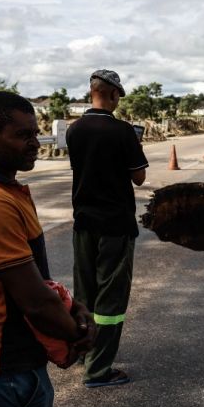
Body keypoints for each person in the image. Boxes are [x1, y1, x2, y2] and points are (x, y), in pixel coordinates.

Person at [0, 91, 96, 407]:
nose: (34, 144)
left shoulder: (5, 192)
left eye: (35, 134)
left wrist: (73, 307)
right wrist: (79, 334)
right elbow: (35, 302)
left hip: (8, 370)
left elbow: (38, 283)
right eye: (22, 135)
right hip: (5, 369)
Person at [66, 69, 149, 388]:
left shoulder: (74, 130)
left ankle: (84, 352)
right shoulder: (123, 131)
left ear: (92, 92)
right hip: (115, 224)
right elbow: (139, 177)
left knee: (85, 294)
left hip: (83, 223)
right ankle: (99, 370)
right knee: (111, 300)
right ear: (113, 94)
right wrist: (133, 146)